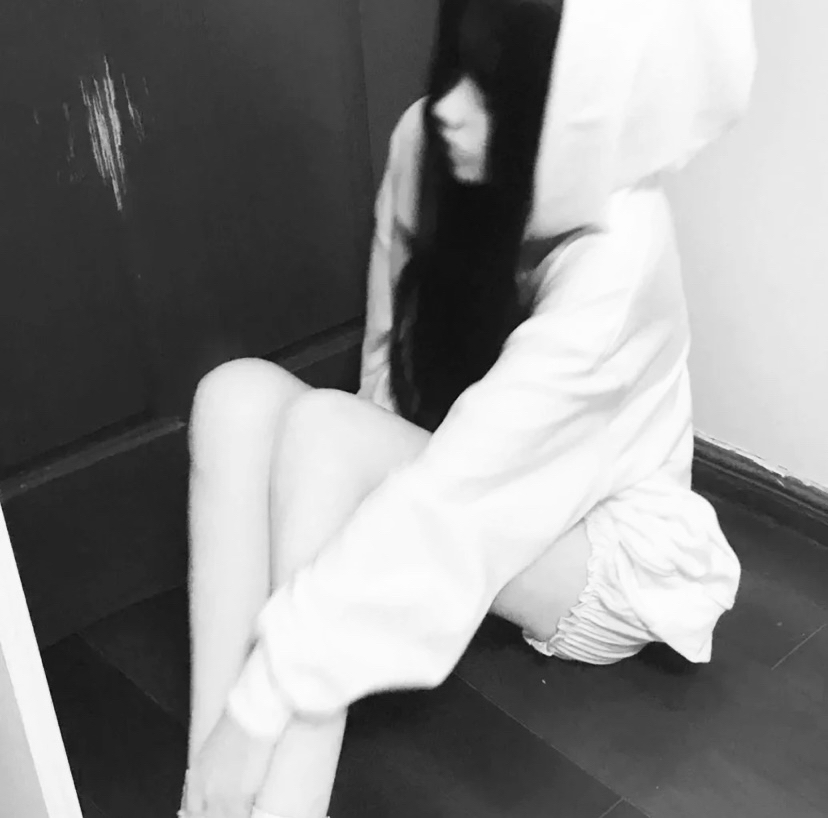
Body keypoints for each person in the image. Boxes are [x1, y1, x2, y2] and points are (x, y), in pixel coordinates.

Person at [180, 1, 757, 816]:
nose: (450, 106)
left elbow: (461, 495)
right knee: (233, 397)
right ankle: (205, 797)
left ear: (573, 119)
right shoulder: (426, 145)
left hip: (601, 547)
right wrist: (341, 538)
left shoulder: (621, 254)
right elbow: (385, 369)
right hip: (473, 498)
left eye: (494, 90)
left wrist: (268, 695)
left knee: (327, 433)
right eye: (455, 64)